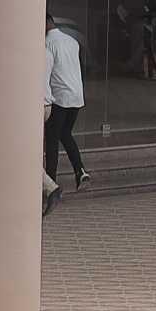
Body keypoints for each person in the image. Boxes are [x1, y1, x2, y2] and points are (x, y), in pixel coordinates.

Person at [43, 13, 87, 208]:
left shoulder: (47, 44)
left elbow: (46, 72)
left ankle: (51, 184)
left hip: (60, 97)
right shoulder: (72, 41)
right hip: (76, 96)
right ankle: (80, 171)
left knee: (52, 140)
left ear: (46, 23)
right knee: (65, 134)